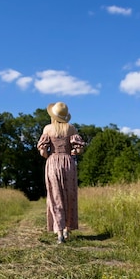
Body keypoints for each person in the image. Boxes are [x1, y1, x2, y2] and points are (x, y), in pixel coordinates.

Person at [37, 102, 86, 244]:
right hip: (68, 162)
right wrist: (71, 152)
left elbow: (43, 153)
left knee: (55, 196)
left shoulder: (47, 128)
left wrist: (49, 154)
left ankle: (59, 232)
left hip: (53, 162)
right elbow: (78, 150)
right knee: (69, 195)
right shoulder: (71, 128)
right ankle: (67, 229)